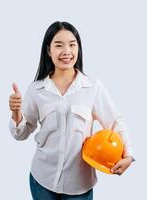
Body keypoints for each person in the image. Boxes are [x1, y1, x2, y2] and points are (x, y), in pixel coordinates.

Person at [9, 21, 135, 200]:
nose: (66, 51)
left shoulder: (93, 88)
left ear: (78, 49)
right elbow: (20, 134)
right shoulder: (36, 90)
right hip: (42, 180)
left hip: (79, 185)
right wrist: (15, 113)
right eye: (58, 45)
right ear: (48, 50)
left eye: (72, 44)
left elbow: (115, 122)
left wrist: (128, 155)